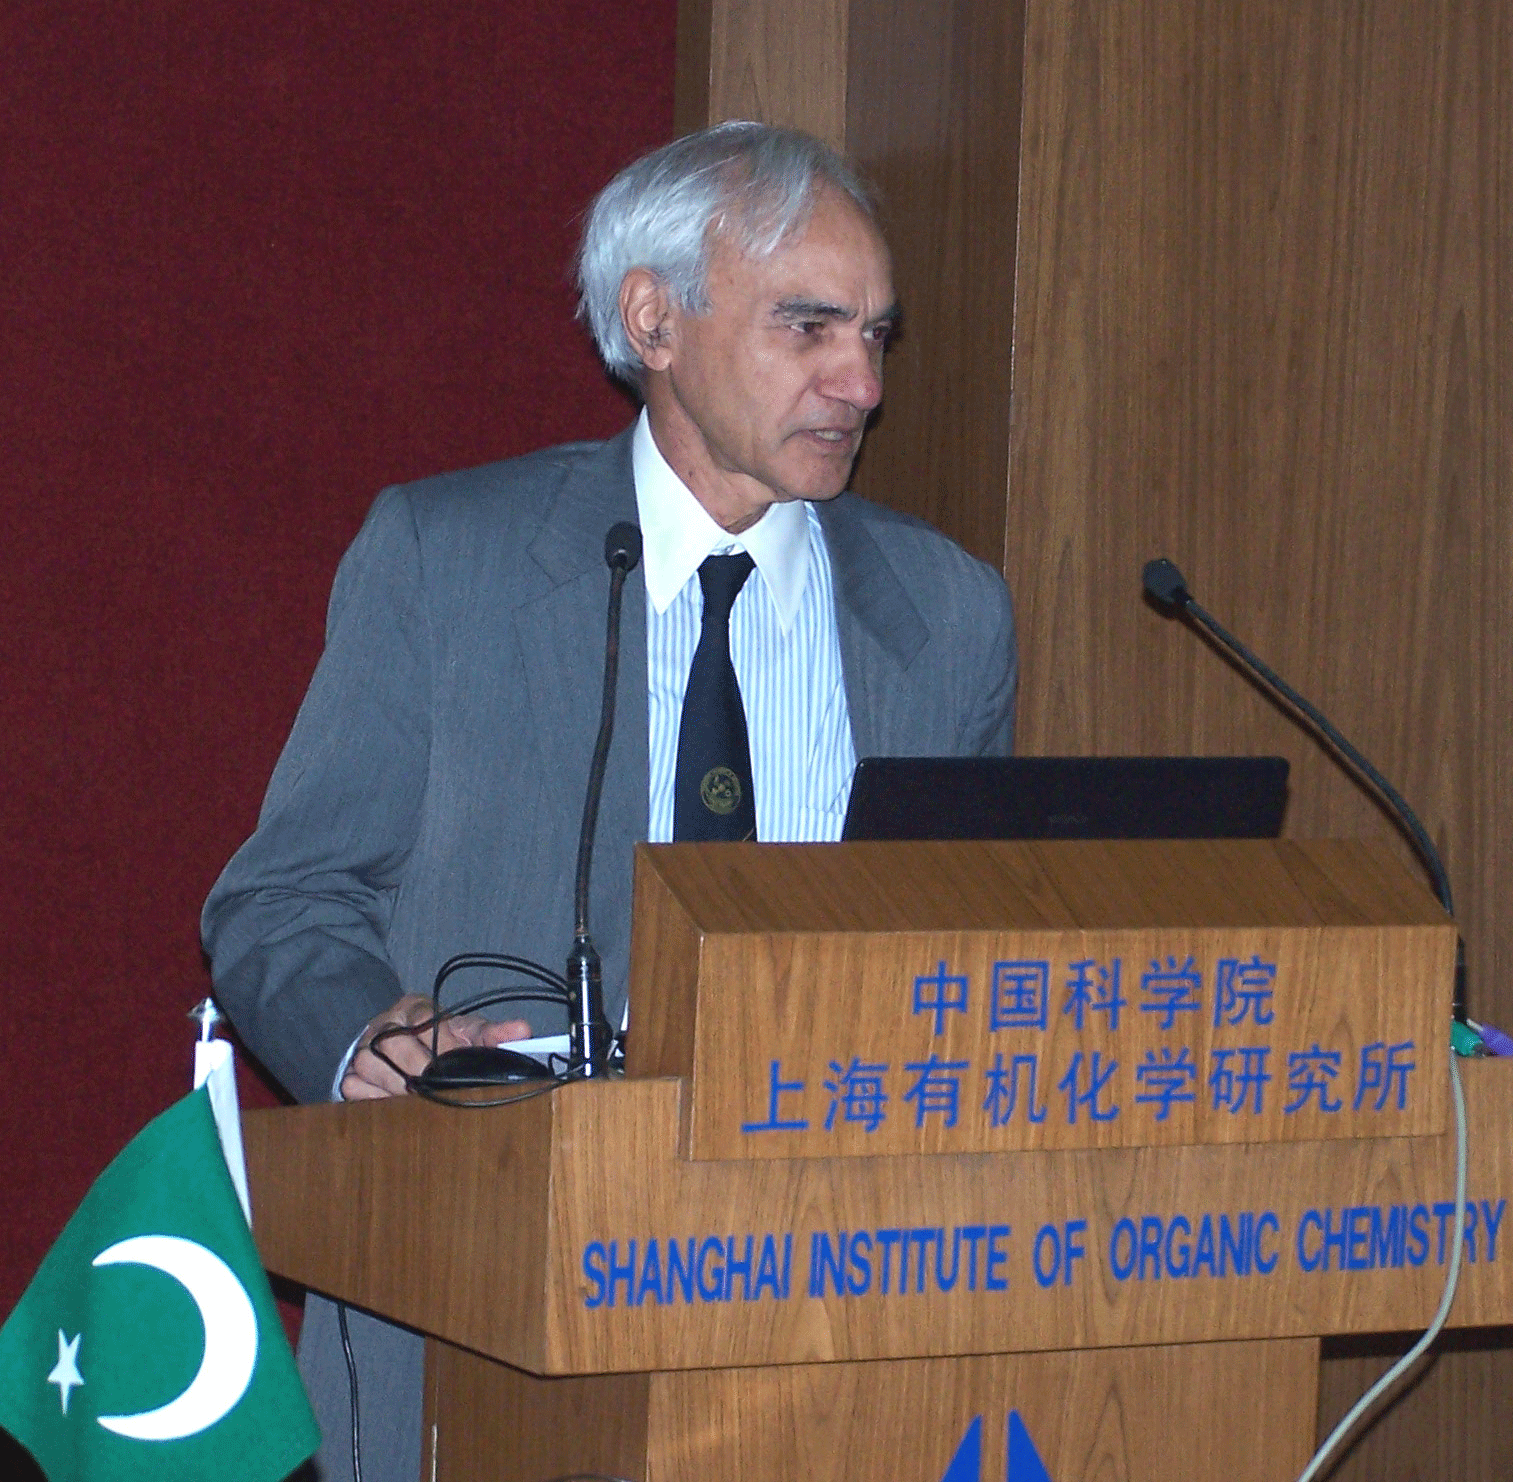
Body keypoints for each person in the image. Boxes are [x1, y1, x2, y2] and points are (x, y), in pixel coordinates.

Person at [203, 120, 1016, 1482]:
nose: (862, 383)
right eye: (808, 327)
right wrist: (369, 1034)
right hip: (485, 1300)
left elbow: (972, 952)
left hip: (831, 1315)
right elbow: (279, 903)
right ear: (654, 320)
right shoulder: (448, 559)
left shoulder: (947, 612)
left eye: (877, 333)